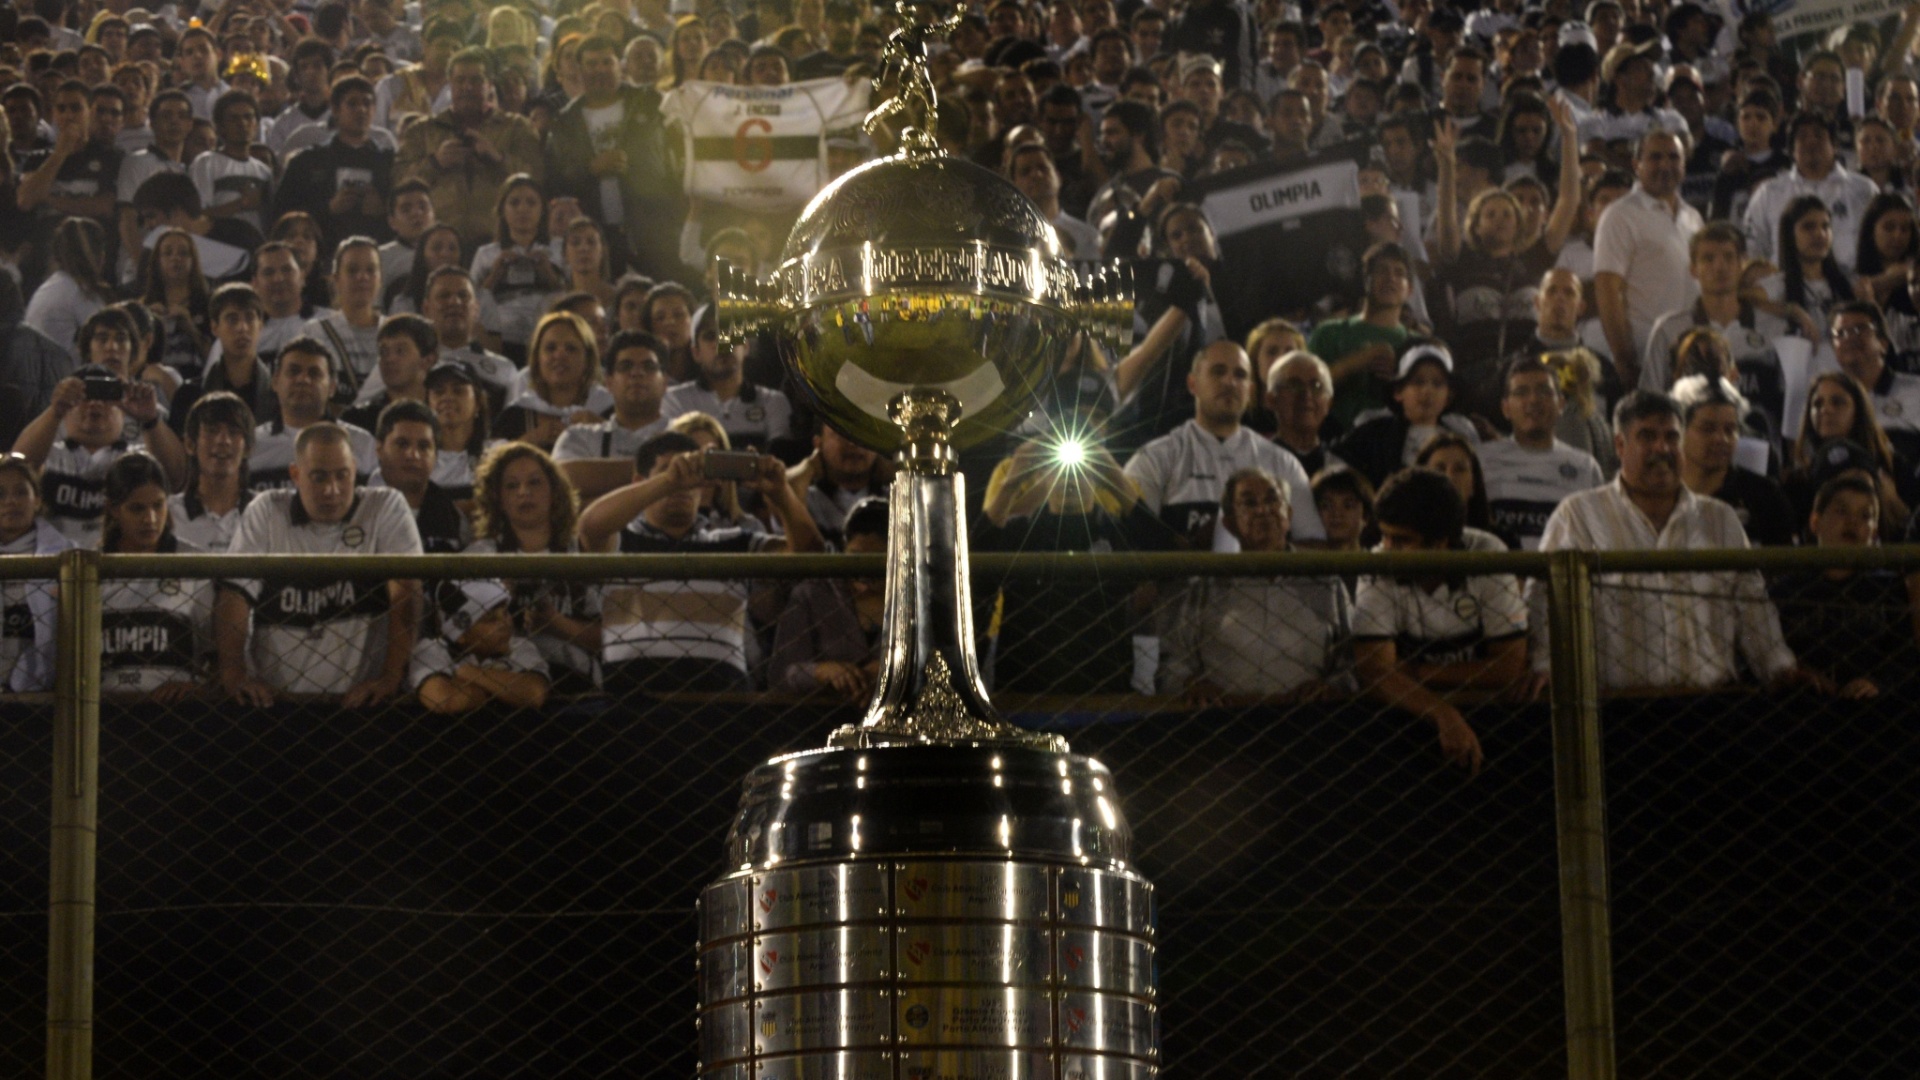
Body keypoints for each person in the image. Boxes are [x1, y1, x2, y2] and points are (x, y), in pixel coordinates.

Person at [1535, 390, 1820, 693]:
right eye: (1647, 436)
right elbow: (1547, 601)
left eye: (1672, 437)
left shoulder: (1720, 519)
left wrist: (1780, 668)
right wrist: (1546, 666)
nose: (1662, 448)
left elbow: (1752, 608)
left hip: (1709, 706)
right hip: (1616, 709)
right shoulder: (1579, 515)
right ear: (1620, 445)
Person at [578, 430, 825, 694]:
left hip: (722, 704)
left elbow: (810, 556)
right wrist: (668, 481)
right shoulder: (621, 540)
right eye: (668, 470)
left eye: (691, 476)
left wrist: (781, 493)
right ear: (640, 481)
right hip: (631, 699)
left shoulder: (732, 541)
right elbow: (591, 526)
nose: (683, 484)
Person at [216, 422, 422, 706]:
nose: (332, 490)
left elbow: (406, 594)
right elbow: (234, 594)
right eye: (319, 477)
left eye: (342, 475)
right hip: (276, 702)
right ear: (296, 475)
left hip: (362, 703)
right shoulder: (266, 510)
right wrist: (234, 673)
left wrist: (391, 677)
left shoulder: (385, 507)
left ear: (354, 469)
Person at [1354, 467, 1528, 777]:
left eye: (1402, 540)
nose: (1388, 550)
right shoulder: (1377, 563)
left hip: (1493, 721)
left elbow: (1508, 666)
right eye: (1385, 536)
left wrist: (1415, 672)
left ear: (1441, 542)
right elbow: (1374, 671)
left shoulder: (1488, 555)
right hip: (1401, 728)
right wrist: (1442, 712)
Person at [1161, 467, 1353, 703]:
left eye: (1273, 500)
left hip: (1306, 719)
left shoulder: (1326, 583)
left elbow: (1354, 664)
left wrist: (1328, 687)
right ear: (1230, 524)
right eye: (1249, 503)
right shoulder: (1207, 586)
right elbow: (1174, 662)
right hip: (1224, 720)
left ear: (1289, 515)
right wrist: (1191, 684)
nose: (1263, 511)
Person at [1123, 340, 1324, 548]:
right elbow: (1132, 542)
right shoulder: (1155, 459)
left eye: (1240, 375)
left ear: (1250, 391)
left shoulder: (1282, 463)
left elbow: (1313, 543)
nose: (1230, 382)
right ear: (1193, 384)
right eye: (1218, 372)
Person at [467, 442, 602, 693]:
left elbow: (610, 639)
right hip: (504, 683)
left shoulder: (581, 549)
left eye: (535, 482)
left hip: (577, 685)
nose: (523, 492)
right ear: (498, 497)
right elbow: (463, 638)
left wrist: (556, 623)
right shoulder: (480, 556)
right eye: (511, 485)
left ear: (554, 491)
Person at [544, 33, 679, 280]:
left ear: (620, 66)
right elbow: (557, 178)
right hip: (595, 233)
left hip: (652, 225)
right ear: (580, 70)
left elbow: (676, 158)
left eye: (607, 62)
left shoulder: (651, 104)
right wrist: (590, 168)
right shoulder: (565, 121)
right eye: (592, 64)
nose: (600, 70)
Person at [1640, 223, 1796, 434]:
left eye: (1729, 257)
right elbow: (1651, 401)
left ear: (1742, 263)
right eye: (1708, 259)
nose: (1719, 267)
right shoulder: (1669, 330)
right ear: (1693, 269)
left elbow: (1789, 402)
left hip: (1759, 448)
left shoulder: (1773, 327)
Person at [1771, 473, 1915, 699]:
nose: (1853, 522)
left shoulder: (1889, 589)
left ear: (1874, 533)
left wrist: (1876, 682)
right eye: (1841, 511)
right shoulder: (1785, 591)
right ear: (1815, 522)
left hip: (1871, 707)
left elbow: (1903, 656)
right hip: (1802, 703)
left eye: (1865, 516)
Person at [10, 361, 184, 546]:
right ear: (69, 409)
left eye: (105, 395)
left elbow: (174, 480)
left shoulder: (138, 462)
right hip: (53, 563)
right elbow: (16, 471)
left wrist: (150, 420)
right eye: (84, 396)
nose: (94, 404)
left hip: (118, 566)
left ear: (122, 411)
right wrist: (55, 411)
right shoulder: (48, 453)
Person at [393, 46, 546, 251]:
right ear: (449, 83)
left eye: (476, 80)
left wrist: (498, 159)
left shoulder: (517, 128)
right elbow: (398, 181)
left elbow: (537, 178)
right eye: (460, 80)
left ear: (490, 84)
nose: (467, 87)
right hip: (440, 244)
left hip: (499, 242)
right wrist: (435, 163)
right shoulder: (423, 131)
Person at [96, 451, 213, 701]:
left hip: (177, 711)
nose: (149, 519)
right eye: (137, 508)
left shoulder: (194, 564)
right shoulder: (91, 568)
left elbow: (218, 650)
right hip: (104, 711)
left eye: (157, 505)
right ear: (113, 509)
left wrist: (199, 688)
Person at [1594, 129, 1704, 390]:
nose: (1665, 165)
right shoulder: (1620, 215)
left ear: (1684, 164)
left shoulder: (1694, 218)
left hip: (1692, 360)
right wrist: (1624, 361)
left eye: (1673, 157)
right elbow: (1608, 290)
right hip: (1645, 362)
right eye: (1655, 157)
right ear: (1636, 165)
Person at [1476, 355, 1606, 548]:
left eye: (1544, 391)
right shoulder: (1480, 460)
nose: (1533, 400)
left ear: (1561, 404)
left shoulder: (1585, 466)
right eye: (1521, 392)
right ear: (1506, 408)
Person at [769, 495, 888, 698]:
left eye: (876, 559)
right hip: (820, 717)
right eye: (857, 557)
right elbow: (780, 674)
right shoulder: (814, 593)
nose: (865, 569)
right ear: (844, 550)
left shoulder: (916, 599)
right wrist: (821, 672)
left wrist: (894, 670)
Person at [1330, 340, 1479, 489]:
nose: (1428, 391)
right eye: (1418, 382)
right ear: (1398, 391)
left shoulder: (1458, 438)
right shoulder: (1373, 433)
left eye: (1437, 383)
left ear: (1449, 397)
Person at [1741, 111, 1879, 272]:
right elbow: (1753, 248)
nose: (1811, 141)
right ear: (1792, 150)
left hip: (1852, 289)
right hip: (1785, 290)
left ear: (1835, 146)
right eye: (1802, 137)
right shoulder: (1769, 193)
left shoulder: (1863, 189)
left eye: (1819, 135)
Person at [1670, 374, 1797, 546]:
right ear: (1680, 431)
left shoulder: (1764, 497)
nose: (1721, 439)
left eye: (1730, 430)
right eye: (1708, 429)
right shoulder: (1660, 493)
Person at [1786, 372, 1912, 539]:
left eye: (1837, 402)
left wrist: (1895, 505)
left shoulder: (1892, 466)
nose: (1825, 410)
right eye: (1817, 404)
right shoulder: (1800, 479)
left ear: (1858, 410)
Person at [1306, 242, 1417, 430]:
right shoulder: (1329, 333)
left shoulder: (1417, 345)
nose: (1390, 278)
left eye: (1399, 273)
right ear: (1366, 280)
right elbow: (1307, 389)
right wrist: (1358, 361)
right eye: (1382, 270)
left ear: (1409, 290)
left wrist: (1401, 375)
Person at [273, 75, 392, 249]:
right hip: (322, 253)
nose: (361, 110)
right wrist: (327, 208)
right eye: (352, 104)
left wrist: (383, 211)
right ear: (335, 109)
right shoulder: (307, 161)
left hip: (378, 253)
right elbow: (282, 214)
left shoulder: (389, 162)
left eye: (367, 103)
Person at [247, 338, 378, 491]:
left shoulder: (363, 445)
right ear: (275, 382)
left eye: (314, 373)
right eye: (293, 371)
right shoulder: (252, 445)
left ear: (332, 387)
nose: (303, 379)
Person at [660, 307, 792, 453]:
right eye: (710, 336)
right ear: (696, 352)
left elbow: (779, 464)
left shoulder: (773, 402)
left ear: (746, 346)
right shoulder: (673, 400)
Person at [411, 578, 550, 714]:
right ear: (460, 634)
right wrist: (504, 691)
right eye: (491, 619)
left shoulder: (520, 646)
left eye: (505, 612)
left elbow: (534, 694)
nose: (505, 623)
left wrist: (470, 674)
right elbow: (445, 700)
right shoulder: (430, 650)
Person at [0, 453, 73, 693]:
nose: (11, 501)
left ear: (38, 499)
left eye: (21, 492)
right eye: (1, 494)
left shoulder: (68, 556)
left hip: (47, 691)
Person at [497, 311, 615, 450]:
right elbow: (488, 463)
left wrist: (605, 433)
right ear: (537, 359)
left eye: (571, 349)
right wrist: (529, 440)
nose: (559, 355)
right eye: (550, 348)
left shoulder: (610, 411)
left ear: (588, 359)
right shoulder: (515, 415)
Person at [170, 282, 278, 433]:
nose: (242, 328)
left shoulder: (279, 393)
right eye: (232, 319)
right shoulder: (191, 394)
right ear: (215, 327)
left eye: (249, 318)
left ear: (260, 325)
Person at [370, 399, 466, 553]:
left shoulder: (453, 518)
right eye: (402, 444)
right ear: (379, 448)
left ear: (436, 456)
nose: (413, 455)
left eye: (423, 446)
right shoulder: (352, 505)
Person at [1830, 300, 1920, 463]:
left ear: (1883, 343)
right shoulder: (1828, 403)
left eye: (1859, 329)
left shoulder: (1916, 391)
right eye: (1840, 334)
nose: (1849, 338)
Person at [301, 236, 385, 405]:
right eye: (353, 270)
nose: (362, 277)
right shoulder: (314, 333)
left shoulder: (395, 332)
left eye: (370, 270)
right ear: (336, 279)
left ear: (380, 279)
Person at [168, 391, 255, 553]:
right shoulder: (169, 514)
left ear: (248, 447)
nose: (223, 440)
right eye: (212, 430)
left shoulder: (264, 513)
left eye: (234, 432)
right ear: (189, 444)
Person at [786, 419, 891, 548]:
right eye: (842, 434)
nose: (853, 443)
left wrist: (898, 472)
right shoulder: (807, 499)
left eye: (864, 435)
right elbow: (781, 493)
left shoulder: (894, 499)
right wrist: (810, 466)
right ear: (818, 443)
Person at [343, 313, 438, 428]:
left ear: (428, 360)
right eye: (383, 352)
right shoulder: (357, 420)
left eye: (400, 351)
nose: (389, 359)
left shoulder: (443, 413)